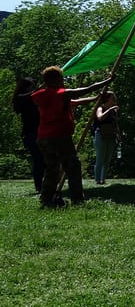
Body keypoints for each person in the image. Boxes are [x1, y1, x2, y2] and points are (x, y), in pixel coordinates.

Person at [31, 66, 112, 207]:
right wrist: (107, 81)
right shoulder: (61, 94)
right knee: (73, 166)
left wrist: (96, 98)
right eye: (61, 78)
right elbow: (87, 89)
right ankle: (77, 199)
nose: (63, 81)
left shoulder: (43, 95)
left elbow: (76, 102)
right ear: (56, 80)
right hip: (59, 137)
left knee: (52, 169)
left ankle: (46, 198)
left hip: (44, 138)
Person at [12, 77, 45, 193]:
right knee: (39, 160)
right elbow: (30, 96)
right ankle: (39, 186)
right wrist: (40, 88)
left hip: (38, 131)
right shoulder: (20, 99)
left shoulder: (29, 99)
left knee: (42, 160)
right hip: (31, 133)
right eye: (31, 86)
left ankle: (42, 185)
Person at [92, 90, 120, 185]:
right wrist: (109, 110)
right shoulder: (100, 108)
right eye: (113, 98)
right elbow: (100, 117)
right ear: (107, 99)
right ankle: (97, 180)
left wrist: (118, 135)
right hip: (100, 135)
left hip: (111, 135)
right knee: (100, 158)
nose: (115, 99)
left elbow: (115, 124)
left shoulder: (114, 111)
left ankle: (102, 180)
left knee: (107, 159)